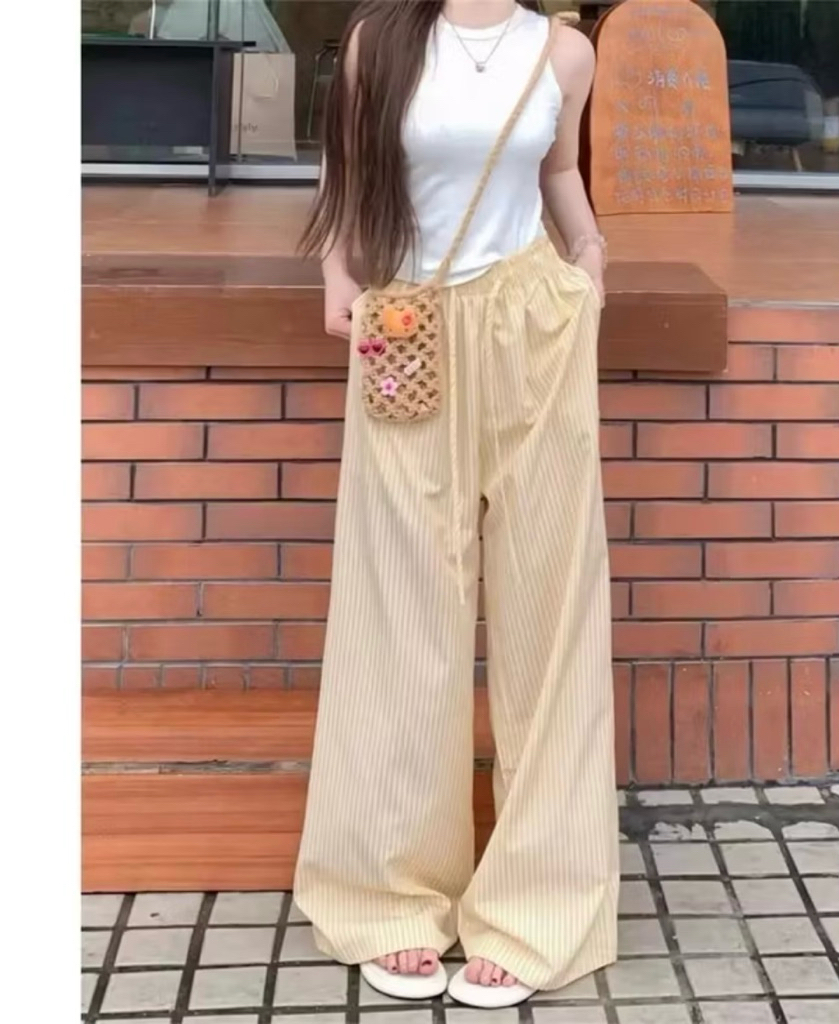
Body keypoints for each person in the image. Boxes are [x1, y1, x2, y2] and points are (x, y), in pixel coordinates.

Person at [293, 0, 618, 1010]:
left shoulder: (564, 50)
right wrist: (336, 273)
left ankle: (538, 906)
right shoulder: (382, 39)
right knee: (402, 607)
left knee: (548, 607)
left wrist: (590, 259)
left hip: (532, 325)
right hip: (407, 326)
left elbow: (557, 173)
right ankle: (390, 894)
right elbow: (348, 173)